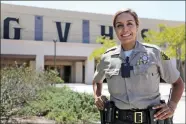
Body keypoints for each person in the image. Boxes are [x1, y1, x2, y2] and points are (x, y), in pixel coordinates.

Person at [92, 8, 184, 124]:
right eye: (119, 25)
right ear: (115, 29)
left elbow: (178, 83)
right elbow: (96, 81)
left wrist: (171, 106)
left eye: (129, 23)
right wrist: (97, 96)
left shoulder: (156, 53)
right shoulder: (107, 57)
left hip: (151, 120)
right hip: (117, 120)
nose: (125, 29)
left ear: (137, 26)